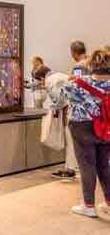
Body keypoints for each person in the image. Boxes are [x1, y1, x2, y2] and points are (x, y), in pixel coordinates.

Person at [62, 49, 110, 218]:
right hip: (106, 128)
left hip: (82, 127)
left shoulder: (79, 83)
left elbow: (62, 95)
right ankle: (109, 203)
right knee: (104, 164)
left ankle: (88, 205)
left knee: (87, 165)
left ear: (92, 65)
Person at [51, 41, 90, 180]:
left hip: (79, 110)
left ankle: (70, 168)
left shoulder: (79, 66)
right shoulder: (93, 63)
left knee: (72, 138)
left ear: (74, 52)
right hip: (93, 110)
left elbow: (77, 88)